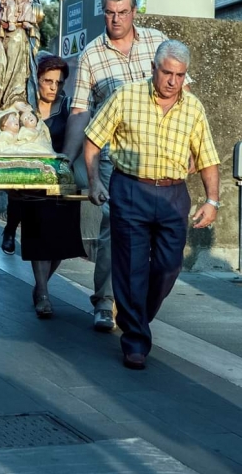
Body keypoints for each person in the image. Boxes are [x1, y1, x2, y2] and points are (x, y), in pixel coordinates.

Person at [63, 0, 190, 333]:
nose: (116, 19)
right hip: (114, 154)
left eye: (123, 12)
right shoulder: (91, 53)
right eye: (109, 12)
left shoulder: (157, 41)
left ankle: (134, 304)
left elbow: (185, 94)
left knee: (161, 245)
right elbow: (79, 112)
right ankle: (104, 302)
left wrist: (192, 147)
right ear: (102, 12)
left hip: (162, 153)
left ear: (135, 11)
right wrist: (66, 160)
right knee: (111, 229)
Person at [85, 40, 220, 369]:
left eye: (180, 75)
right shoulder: (126, 96)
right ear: (154, 69)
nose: (173, 81)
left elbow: (207, 157)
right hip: (131, 188)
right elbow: (92, 141)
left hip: (173, 194)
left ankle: (136, 317)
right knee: (131, 266)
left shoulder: (193, 108)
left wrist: (212, 200)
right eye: (167, 73)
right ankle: (135, 341)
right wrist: (95, 181)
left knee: (168, 266)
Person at [18, 55, 85, 317]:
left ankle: (40, 286)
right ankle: (43, 293)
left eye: (58, 82)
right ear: (38, 80)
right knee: (38, 236)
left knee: (61, 241)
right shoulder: (24, 108)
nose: (53, 87)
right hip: (33, 182)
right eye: (47, 80)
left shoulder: (70, 108)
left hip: (63, 180)